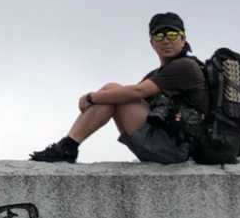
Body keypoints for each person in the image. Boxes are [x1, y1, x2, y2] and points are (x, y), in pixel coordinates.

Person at [29, 11, 208, 165]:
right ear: (152, 43)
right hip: (168, 144)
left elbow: (137, 92)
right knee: (112, 94)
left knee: (112, 91)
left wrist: (91, 97)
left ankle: (68, 146)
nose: (166, 41)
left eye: (172, 35)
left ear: (183, 39)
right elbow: (131, 96)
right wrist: (102, 97)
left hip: (180, 150)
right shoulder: (158, 74)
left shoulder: (185, 66)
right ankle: (68, 146)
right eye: (159, 36)